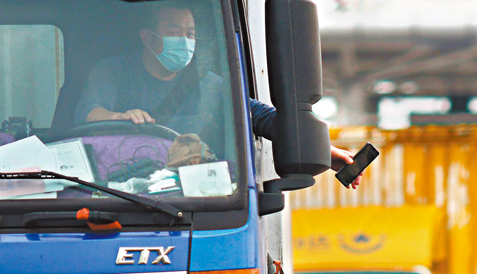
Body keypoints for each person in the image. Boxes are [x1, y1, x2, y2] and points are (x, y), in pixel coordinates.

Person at [74, 1, 361, 188]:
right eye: (174, 32)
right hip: (117, 190)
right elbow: (90, 113)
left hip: (191, 196)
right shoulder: (113, 71)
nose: (184, 41)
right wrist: (119, 117)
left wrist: (322, 152)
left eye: (190, 34)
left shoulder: (209, 85)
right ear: (148, 37)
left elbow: (260, 117)